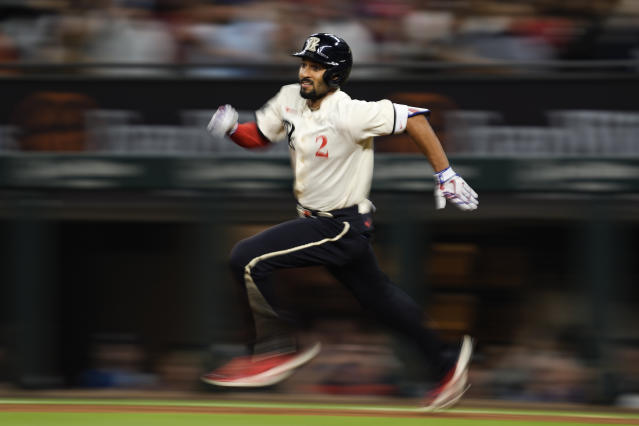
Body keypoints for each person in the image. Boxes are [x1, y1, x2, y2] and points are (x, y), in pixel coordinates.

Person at [202, 33, 478, 411]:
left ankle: (275, 350)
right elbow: (259, 136)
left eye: (315, 67)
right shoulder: (288, 98)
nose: (305, 72)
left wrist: (444, 174)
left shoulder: (351, 112)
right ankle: (446, 366)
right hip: (321, 222)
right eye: (304, 64)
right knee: (383, 303)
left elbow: (416, 119)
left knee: (246, 258)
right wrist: (234, 129)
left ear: (335, 75)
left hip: (339, 225)